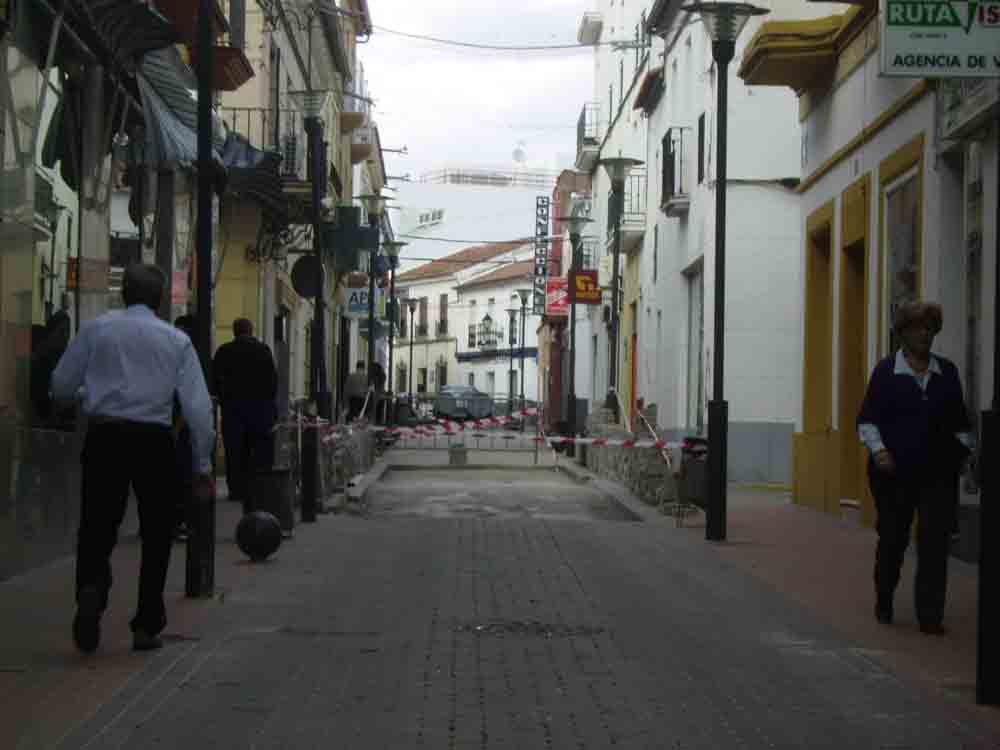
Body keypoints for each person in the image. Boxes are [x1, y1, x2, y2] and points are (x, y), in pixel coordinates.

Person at [51, 264, 215, 653]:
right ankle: (146, 624)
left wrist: (81, 397)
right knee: (157, 532)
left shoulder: (96, 329)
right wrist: (202, 465)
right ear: (160, 299)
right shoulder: (176, 341)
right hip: (153, 440)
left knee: (96, 525)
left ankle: (91, 589)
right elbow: (197, 408)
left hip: (105, 435)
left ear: (123, 293)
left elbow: (60, 385)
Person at [856, 301, 975, 635]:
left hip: (937, 473)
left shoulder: (946, 373)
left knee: (934, 541)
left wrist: (966, 453)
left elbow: (960, 424)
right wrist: (879, 452)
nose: (924, 334)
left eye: (929, 328)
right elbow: (867, 421)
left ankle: (930, 614)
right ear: (903, 334)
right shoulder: (885, 372)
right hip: (894, 473)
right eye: (916, 328)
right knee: (893, 538)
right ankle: (884, 596)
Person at [212, 318, 278, 513]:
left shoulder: (224, 352)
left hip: (233, 411)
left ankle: (237, 489)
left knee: (235, 451)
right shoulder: (263, 350)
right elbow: (272, 382)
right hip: (260, 411)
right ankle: (257, 488)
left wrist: (224, 401)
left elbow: (214, 381)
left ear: (234, 332)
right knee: (258, 451)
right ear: (251, 331)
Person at [172, 315, 198, 542]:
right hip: (171, 426)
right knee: (178, 475)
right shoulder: (180, 354)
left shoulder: (187, 356)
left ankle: (178, 519)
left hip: (179, 426)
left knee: (181, 475)